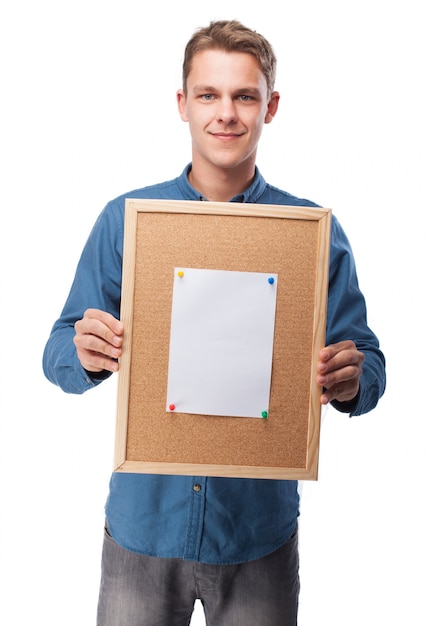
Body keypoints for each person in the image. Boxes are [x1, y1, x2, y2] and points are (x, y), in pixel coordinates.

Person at [42, 19, 386, 626]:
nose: (225, 113)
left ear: (270, 107)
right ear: (182, 104)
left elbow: (370, 363)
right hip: (143, 531)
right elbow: (56, 357)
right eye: (208, 94)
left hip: (257, 537)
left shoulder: (311, 235)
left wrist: (355, 379)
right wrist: (84, 351)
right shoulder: (128, 221)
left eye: (244, 95)